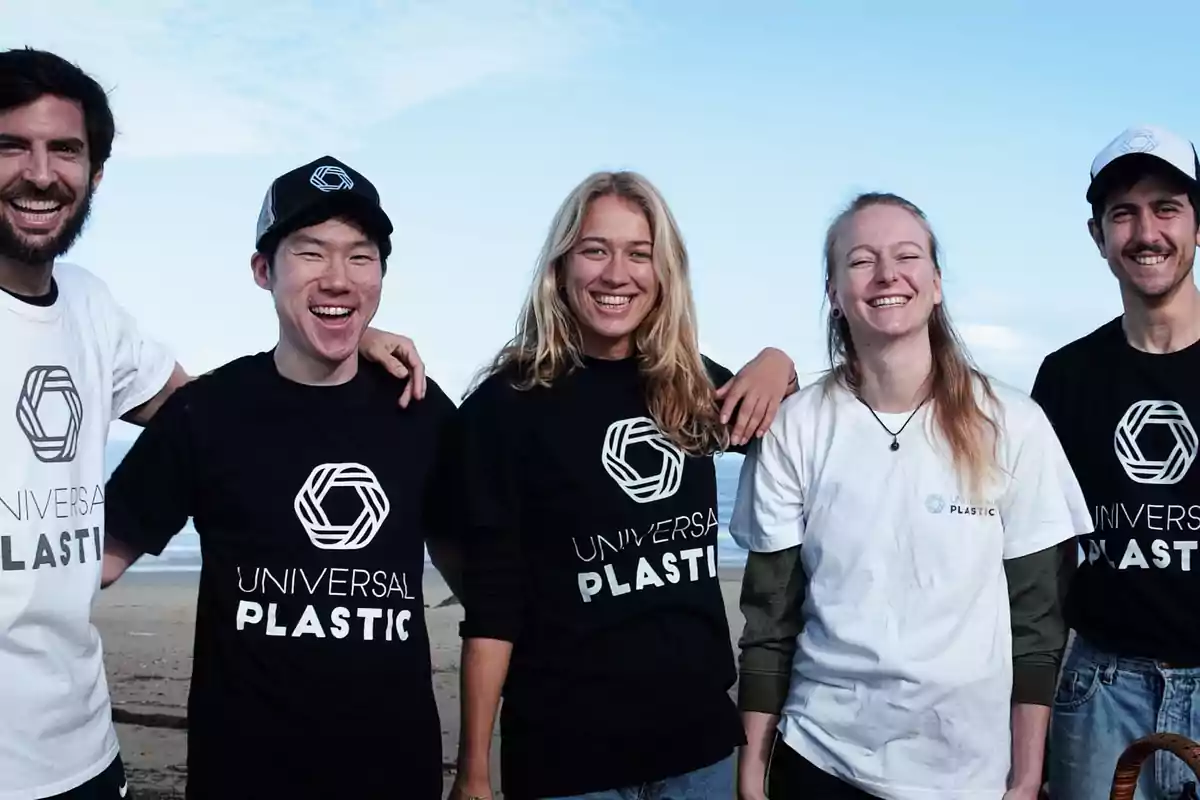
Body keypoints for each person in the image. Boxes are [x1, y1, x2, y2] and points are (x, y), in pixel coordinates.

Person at [0, 47, 428, 800]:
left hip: (79, 751)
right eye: (10, 146)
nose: (40, 173)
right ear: (265, 268)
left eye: (64, 149)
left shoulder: (90, 307)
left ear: (94, 172)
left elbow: (216, 417)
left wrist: (336, 337)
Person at [98, 155, 460, 799]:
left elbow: (490, 572)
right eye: (311, 253)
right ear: (264, 271)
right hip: (244, 772)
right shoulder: (206, 412)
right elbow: (90, 561)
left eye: (361, 256)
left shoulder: (422, 410)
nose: (338, 278)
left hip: (393, 770)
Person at [445, 170, 798, 800]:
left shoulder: (693, 386)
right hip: (568, 759)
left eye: (640, 253)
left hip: (701, 752)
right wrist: (473, 772)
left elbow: (808, 435)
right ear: (560, 267)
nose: (617, 274)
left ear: (664, 272)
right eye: (594, 250)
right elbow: (492, 602)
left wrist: (781, 363)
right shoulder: (506, 406)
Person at [730, 191, 1092, 800]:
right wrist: (752, 774)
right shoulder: (797, 427)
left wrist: (1026, 777)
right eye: (861, 260)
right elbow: (769, 621)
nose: (887, 274)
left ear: (936, 282)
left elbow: (1038, 625)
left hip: (968, 774)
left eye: (907, 256)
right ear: (834, 291)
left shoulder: (1014, 423)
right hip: (821, 759)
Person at [1037, 125, 1200, 800]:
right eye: (1122, 214)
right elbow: (1045, 555)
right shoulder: (1067, 378)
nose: (1145, 231)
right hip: (1101, 690)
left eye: (1166, 207)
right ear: (1097, 234)